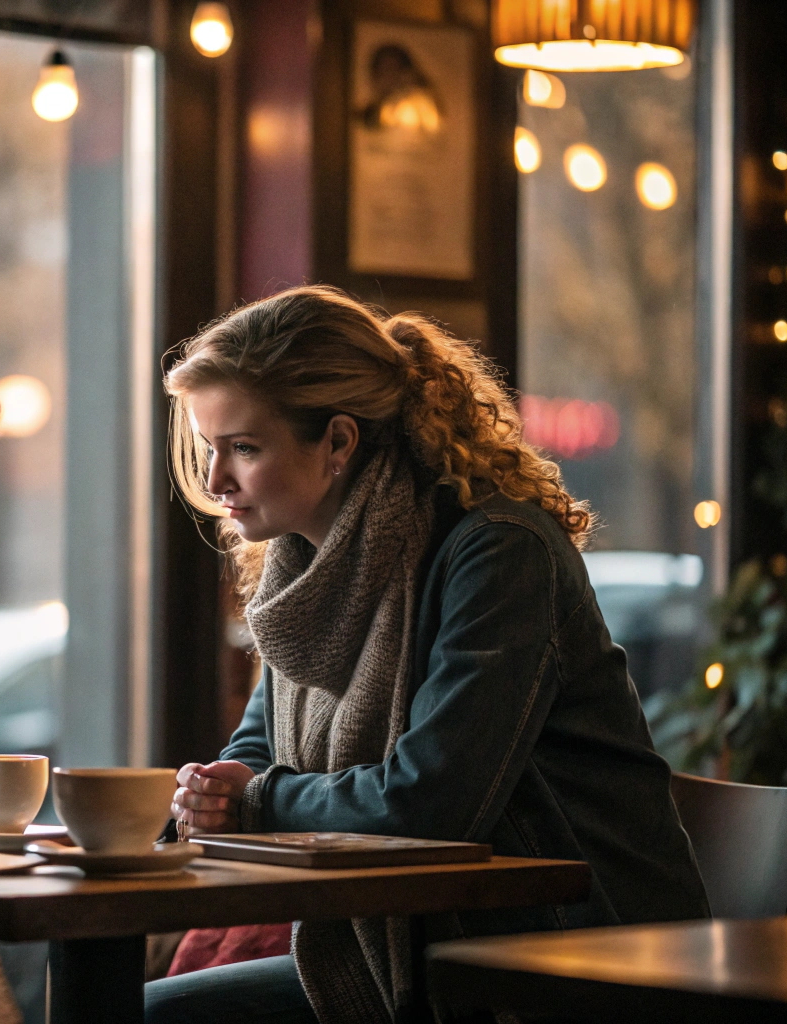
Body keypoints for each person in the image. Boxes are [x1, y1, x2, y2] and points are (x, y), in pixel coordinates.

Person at [147, 285, 708, 1024]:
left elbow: (431, 802)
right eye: (207, 447)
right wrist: (213, 791)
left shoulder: (499, 552)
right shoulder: (303, 569)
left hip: (572, 957)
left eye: (244, 449)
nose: (217, 481)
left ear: (340, 442)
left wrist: (251, 801)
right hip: (427, 945)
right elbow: (261, 746)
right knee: (140, 1009)